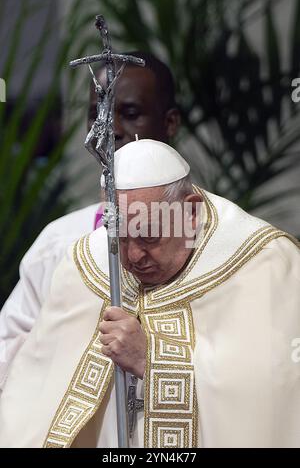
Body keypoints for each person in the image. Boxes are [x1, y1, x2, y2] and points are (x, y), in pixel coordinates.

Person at [0, 139, 299, 448]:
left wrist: (154, 361)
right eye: (120, 237)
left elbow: (277, 387)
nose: (132, 257)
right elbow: (35, 391)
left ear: (191, 212)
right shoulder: (89, 260)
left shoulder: (264, 261)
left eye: (149, 235)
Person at [0, 52, 181, 392]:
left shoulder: (220, 237)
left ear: (170, 123)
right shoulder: (59, 241)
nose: (108, 128)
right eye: (96, 113)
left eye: (129, 113)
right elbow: (8, 347)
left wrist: (153, 360)